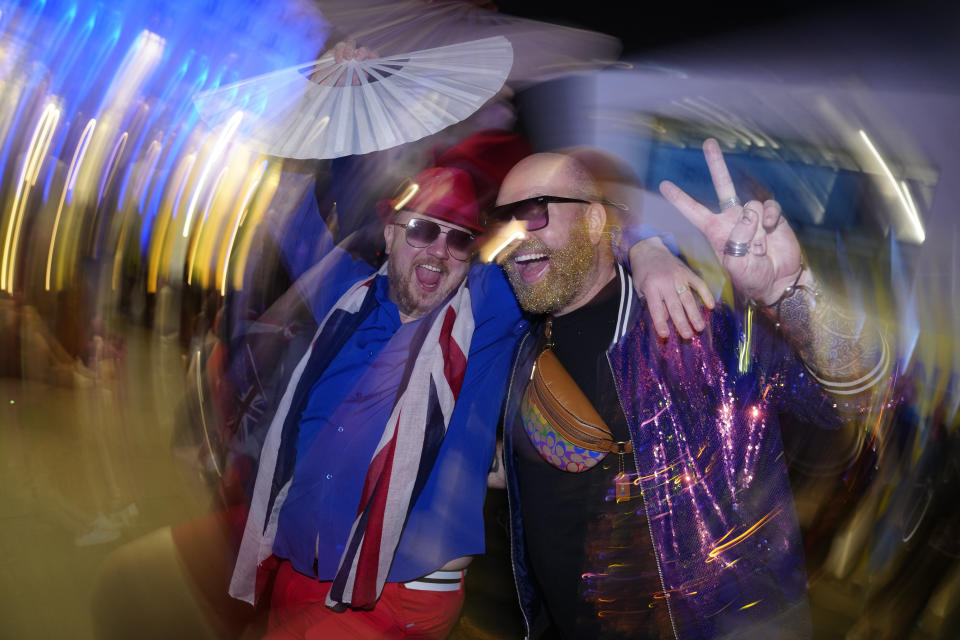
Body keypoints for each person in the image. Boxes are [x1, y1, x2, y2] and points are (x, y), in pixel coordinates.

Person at [224, 149, 710, 639]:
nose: (439, 251)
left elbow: (575, 243)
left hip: (397, 587)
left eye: (459, 240)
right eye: (422, 231)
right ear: (391, 232)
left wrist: (652, 251)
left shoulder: (487, 304)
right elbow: (289, 212)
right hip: (294, 565)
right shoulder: (346, 294)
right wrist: (313, 106)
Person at [490, 140, 892, 639]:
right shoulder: (524, 342)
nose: (513, 235)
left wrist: (788, 293)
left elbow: (853, 395)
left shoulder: (694, 330)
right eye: (503, 218)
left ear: (595, 223)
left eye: (532, 212)